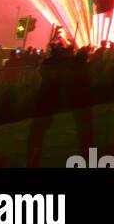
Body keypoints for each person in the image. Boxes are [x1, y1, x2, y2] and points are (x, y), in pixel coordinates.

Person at [25, 35, 94, 167]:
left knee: (37, 132)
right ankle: (88, 157)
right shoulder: (78, 68)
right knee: (85, 131)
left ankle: (33, 159)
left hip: (47, 103)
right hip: (76, 103)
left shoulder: (50, 66)